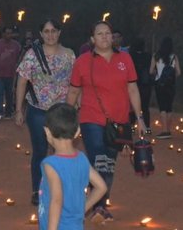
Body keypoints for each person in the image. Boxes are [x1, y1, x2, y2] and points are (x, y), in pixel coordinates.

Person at [66, 21, 146, 222]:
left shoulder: (125, 59)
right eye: (99, 34)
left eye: (108, 33)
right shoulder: (83, 62)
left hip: (119, 121)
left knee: (108, 163)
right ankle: (98, 207)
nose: (104, 37)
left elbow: (133, 89)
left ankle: (95, 202)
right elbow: (74, 91)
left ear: (113, 37)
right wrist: (68, 118)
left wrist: (140, 118)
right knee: (100, 159)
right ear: (92, 39)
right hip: (91, 118)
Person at [15, 19, 76, 206]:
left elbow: (75, 83)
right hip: (38, 110)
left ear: (59, 32)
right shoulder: (32, 55)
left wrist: (76, 106)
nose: (50, 35)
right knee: (40, 150)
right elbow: (22, 82)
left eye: (54, 31)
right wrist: (19, 109)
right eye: (46, 31)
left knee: (62, 151)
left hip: (62, 110)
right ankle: (37, 189)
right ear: (41, 34)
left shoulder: (69, 55)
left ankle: (61, 188)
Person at [39, 103, 108, 229]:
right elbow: (101, 187)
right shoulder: (81, 158)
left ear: (47, 132)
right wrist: (82, 209)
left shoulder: (50, 164)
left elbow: (56, 200)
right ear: (77, 132)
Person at [150, 37, 181, 139]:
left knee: (162, 107)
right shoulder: (174, 57)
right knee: (169, 107)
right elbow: (179, 72)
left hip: (160, 84)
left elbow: (151, 71)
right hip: (171, 85)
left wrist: (157, 73)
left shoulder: (156, 56)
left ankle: (164, 130)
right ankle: (168, 129)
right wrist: (171, 77)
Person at [0, 26, 21, 117]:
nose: (9, 35)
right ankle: (0, 112)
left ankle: (8, 113)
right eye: (7, 33)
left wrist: (18, 71)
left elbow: (19, 58)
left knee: (10, 94)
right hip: (0, 74)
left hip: (12, 74)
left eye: (10, 33)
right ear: (3, 34)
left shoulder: (16, 45)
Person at [129, 38, 153, 134]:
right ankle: (147, 126)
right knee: (145, 107)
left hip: (134, 83)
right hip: (145, 84)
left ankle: (132, 125)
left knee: (133, 105)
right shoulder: (148, 56)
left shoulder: (131, 56)